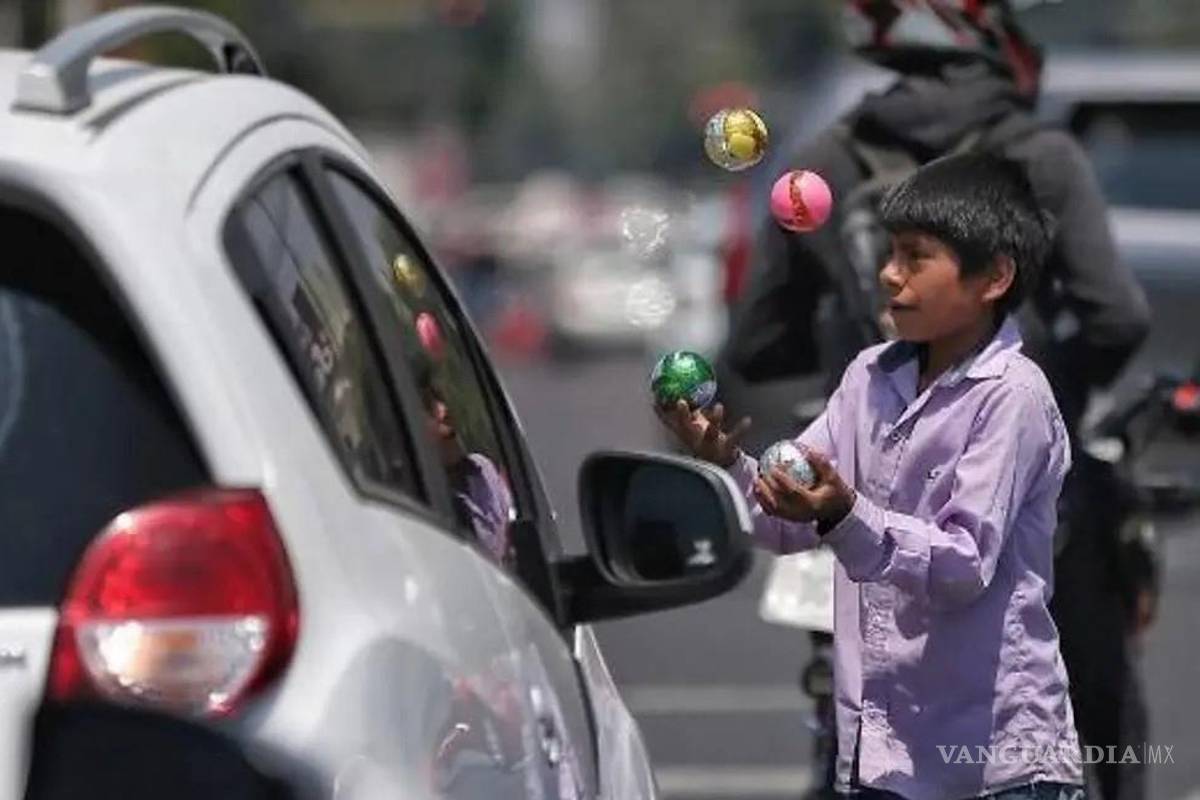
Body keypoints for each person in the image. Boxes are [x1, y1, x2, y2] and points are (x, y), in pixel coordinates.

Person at [721, 3, 1153, 798]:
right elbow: (1117, 314)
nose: (895, 276)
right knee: (1095, 693)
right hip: (943, 544)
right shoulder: (1040, 158)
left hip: (849, 490)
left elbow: (753, 345)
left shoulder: (823, 160)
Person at [663, 152, 1083, 800]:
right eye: (890, 255)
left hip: (996, 770)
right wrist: (728, 465)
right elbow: (790, 516)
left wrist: (842, 514)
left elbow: (961, 565)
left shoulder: (1011, 398)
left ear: (993, 277)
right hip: (881, 761)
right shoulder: (869, 377)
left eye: (916, 258)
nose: (889, 275)